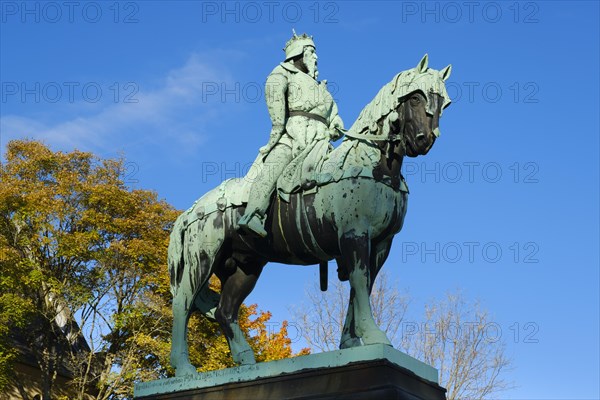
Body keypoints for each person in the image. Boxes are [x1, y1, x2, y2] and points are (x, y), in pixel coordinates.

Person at [238, 31, 344, 237]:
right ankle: (253, 214)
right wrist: (274, 140)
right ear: (298, 53)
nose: (316, 57)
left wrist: (336, 126)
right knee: (273, 167)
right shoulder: (282, 73)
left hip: (322, 144)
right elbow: (277, 115)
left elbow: (335, 116)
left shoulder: (322, 88)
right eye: (311, 52)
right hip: (294, 137)